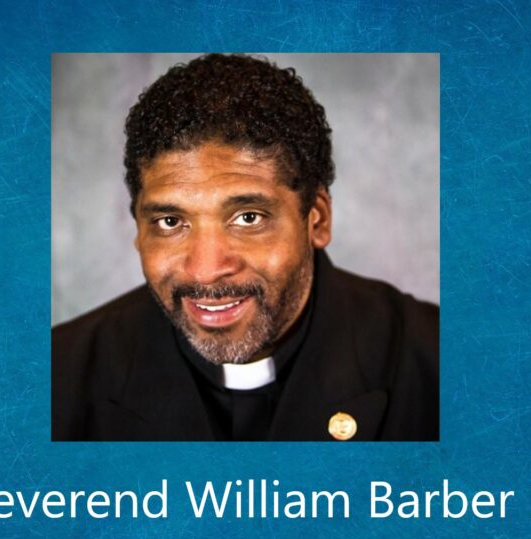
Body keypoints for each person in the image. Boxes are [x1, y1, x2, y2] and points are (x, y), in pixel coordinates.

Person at [52, 54, 438, 441]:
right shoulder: (57, 375)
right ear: (138, 228)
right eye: (171, 222)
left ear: (316, 219)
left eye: (248, 218)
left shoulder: (443, 363)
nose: (206, 270)